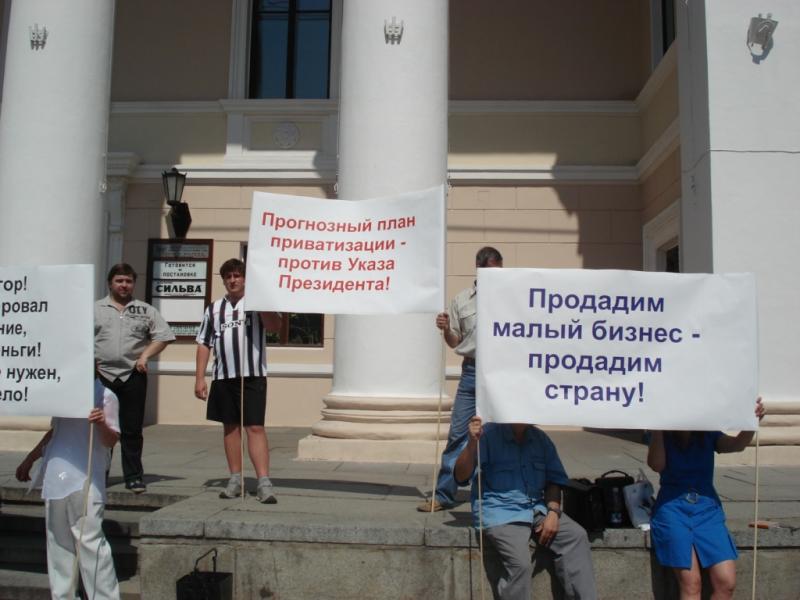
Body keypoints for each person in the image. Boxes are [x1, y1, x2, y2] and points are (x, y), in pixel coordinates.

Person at [455, 416, 597, 600]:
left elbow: (554, 480)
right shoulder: (487, 435)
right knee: (520, 564)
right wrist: (471, 444)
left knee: (577, 536)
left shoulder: (541, 439)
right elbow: (460, 476)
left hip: (537, 508)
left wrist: (553, 512)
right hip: (501, 512)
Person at [647, 398, 765, 600]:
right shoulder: (662, 433)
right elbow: (656, 465)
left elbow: (736, 445)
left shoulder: (707, 433)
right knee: (692, 584)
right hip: (673, 510)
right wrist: (657, 427)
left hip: (707, 510)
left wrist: (751, 422)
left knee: (726, 582)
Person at [16, 378, 121, 600]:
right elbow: (55, 431)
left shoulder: (105, 395)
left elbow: (111, 440)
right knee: (58, 544)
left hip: (86, 477)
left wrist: (101, 423)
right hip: (57, 475)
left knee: (90, 543)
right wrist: (31, 458)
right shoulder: (63, 392)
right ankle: (63, 596)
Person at [418, 246, 503, 512]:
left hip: (501, 372)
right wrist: (445, 330)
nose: (497, 276)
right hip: (472, 372)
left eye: (500, 271)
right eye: (491, 271)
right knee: (458, 434)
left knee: (499, 433)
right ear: (479, 269)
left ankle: (496, 494)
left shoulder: (511, 297)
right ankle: (444, 494)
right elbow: (455, 341)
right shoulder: (462, 300)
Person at [195, 258, 283, 503]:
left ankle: (264, 482)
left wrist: (262, 301)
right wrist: (199, 377)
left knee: (254, 427)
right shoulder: (214, 308)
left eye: (237, 275)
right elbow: (204, 343)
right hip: (223, 376)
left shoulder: (256, 303)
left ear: (245, 279)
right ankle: (235, 478)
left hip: (252, 375)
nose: (233, 280)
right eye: (228, 277)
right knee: (230, 428)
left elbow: (275, 326)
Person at [95, 263, 175, 493]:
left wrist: (145, 356)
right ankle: (100, 473)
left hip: (132, 375)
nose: (124, 285)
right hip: (102, 375)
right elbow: (80, 339)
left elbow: (163, 336)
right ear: (110, 283)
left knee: (131, 429)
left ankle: (133, 477)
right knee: (104, 427)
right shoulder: (95, 309)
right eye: (119, 281)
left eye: (128, 281)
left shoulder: (145, 310)